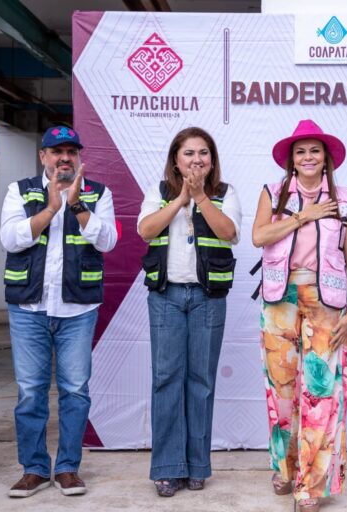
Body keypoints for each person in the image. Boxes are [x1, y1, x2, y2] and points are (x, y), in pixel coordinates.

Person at [0, 126, 117, 498]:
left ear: (80, 157)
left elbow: (108, 240)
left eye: (70, 152)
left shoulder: (98, 193)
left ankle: (67, 467)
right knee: (31, 392)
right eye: (56, 152)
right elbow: (10, 238)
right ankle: (34, 468)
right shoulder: (19, 191)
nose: (64, 158)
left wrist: (77, 205)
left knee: (75, 391)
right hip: (28, 308)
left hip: (78, 308)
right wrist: (52, 207)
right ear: (43, 157)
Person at [252, 119, 347, 512]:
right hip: (280, 300)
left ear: (326, 157)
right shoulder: (274, 192)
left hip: (327, 302)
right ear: (292, 160)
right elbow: (259, 237)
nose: (309, 157)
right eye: (301, 152)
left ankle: (311, 488)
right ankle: (286, 468)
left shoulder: (345, 199)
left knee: (319, 391)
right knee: (281, 392)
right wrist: (305, 215)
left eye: (315, 150)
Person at [137, 127, 241, 497]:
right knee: (166, 379)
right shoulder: (159, 193)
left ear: (212, 160)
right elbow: (145, 230)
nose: (196, 160)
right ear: (175, 159)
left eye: (203, 153)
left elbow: (229, 232)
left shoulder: (226, 194)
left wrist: (202, 199)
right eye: (188, 153)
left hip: (207, 299)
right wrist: (182, 198)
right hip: (166, 297)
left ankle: (197, 465)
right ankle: (168, 468)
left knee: (201, 381)